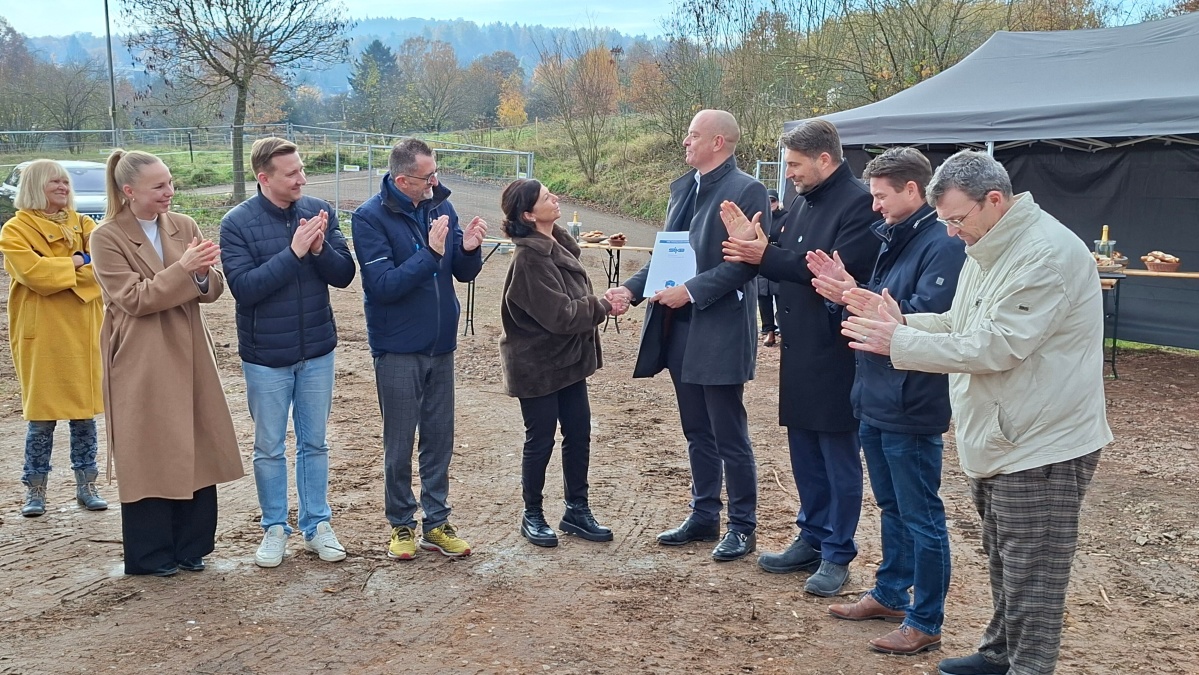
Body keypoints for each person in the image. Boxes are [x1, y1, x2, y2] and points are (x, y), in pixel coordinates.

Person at [842, 150, 1111, 675]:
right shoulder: (990, 246)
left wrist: (896, 342)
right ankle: (998, 653)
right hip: (1005, 431)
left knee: (1033, 570)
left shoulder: (1043, 256)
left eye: (957, 220)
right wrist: (905, 322)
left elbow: (997, 346)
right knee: (1006, 557)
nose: (951, 233)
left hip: (1042, 438)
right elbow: (961, 323)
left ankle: (1028, 665)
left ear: (995, 200)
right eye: (944, 221)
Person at [808, 148, 966, 656]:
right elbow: (879, 302)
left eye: (880, 196)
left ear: (912, 190)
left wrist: (853, 296)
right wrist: (849, 294)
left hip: (911, 398)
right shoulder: (897, 237)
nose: (874, 207)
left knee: (921, 513)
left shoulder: (942, 243)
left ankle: (926, 618)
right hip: (876, 392)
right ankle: (891, 593)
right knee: (893, 506)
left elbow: (920, 318)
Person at [722, 119, 878, 595]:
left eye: (794, 164)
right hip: (799, 346)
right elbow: (786, 255)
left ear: (825, 160)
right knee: (805, 451)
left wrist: (760, 255)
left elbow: (824, 272)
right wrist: (759, 247)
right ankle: (810, 536)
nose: (787, 173)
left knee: (837, 456)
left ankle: (837, 552)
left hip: (837, 349)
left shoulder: (858, 205)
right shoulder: (800, 201)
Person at [606, 109, 769, 562]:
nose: (685, 141)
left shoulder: (747, 190)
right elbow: (668, 255)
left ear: (719, 142)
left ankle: (742, 526)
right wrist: (632, 290)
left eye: (694, 135)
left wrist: (691, 292)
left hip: (718, 326)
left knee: (727, 431)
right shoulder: (684, 188)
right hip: (678, 328)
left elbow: (747, 263)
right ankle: (703, 515)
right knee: (696, 429)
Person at [90, 149, 244, 576]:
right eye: (158, 186)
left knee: (196, 444)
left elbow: (212, 287)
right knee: (150, 449)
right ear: (129, 191)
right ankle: (151, 553)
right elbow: (134, 300)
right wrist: (184, 270)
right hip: (140, 355)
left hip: (191, 349)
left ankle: (192, 546)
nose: (169, 192)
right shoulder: (106, 237)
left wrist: (198, 275)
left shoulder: (184, 226)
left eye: (170, 182)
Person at [220, 137, 357, 568]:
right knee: (269, 447)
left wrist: (318, 250)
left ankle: (317, 524)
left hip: (317, 350)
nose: (302, 178)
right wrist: (294, 252)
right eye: (291, 173)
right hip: (265, 357)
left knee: (314, 443)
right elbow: (245, 289)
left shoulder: (318, 211)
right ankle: (275, 527)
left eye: (301, 169)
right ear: (264, 178)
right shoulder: (236, 224)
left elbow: (345, 275)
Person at [352, 138, 488, 560]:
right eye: (427, 177)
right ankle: (401, 525)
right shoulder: (369, 218)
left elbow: (462, 273)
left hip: (440, 345)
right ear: (401, 179)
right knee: (399, 440)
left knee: (438, 437)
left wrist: (469, 248)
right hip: (397, 347)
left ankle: (437, 522)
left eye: (435, 173)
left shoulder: (440, 206)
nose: (436, 182)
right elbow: (383, 286)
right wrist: (429, 252)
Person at [497, 178, 626, 547]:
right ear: (528, 214)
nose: (555, 199)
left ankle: (576, 511)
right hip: (536, 365)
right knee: (540, 440)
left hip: (567, 360)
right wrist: (603, 305)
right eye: (546, 198)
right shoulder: (529, 259)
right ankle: (532, 514)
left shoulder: (557, 246)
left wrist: (599, 303)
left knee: (578, 433)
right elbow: (561, 316)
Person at [1, 159, 107, 517]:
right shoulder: (15, 230)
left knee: (84, 414)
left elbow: (103, 268)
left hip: (83, 328)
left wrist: (67, 267)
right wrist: (77, 262)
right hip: (41, 334)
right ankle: (35, 490)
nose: (63, 187)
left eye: (65, 182)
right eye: (54, 182)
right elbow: (33, 274)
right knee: (41, 417)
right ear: (35, 185)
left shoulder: (85, 223)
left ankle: (87, 485)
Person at [756, 188, 787, 347]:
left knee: (780, 295)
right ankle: (768, 331)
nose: (770, 204)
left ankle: (784, 330)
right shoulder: (759, 217)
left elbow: (786, 238)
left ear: (778, 202)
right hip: (761, 259)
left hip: (778, 258)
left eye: (773, 200)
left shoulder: (787, 217)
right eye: (767, 201)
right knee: (763, 296)